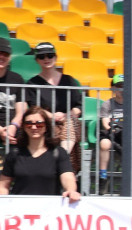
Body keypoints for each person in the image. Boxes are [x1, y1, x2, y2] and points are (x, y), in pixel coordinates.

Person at [0, 105, 79, 201]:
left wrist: (71, 190)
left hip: (49, 207)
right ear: (24, 127)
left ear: (46, 127)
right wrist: (3, 202)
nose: (34, 127)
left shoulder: (59, 153)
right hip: (19, 208)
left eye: (39, 124)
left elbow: (68, 177)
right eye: (29, 124)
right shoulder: (14, 154)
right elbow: (3, 186)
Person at [25, 42, 83, 173]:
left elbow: (79, 105)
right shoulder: (32, 83)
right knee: (69, 131)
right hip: (45, 123)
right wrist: (52, 116)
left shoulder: (69, 80)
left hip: (68, 121)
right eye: (42, 57)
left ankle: (59, 160)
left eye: (50, 55)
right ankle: (64, 165)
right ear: (37, 60)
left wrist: (66, 115)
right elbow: (34, 107)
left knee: (71, 122)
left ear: (55, 58)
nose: (46, 59)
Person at [98, 74, 132, 186]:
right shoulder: (107, 104)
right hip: (113, 134)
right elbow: (105, 123)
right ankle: (103, 176)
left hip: (129, 134)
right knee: (104, 143)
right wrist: (112, 129)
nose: (122, 89)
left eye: (125, 86)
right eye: (119, 86)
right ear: (113, 88)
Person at [0, 37, 28, 162]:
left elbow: (21, 108)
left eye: (5, 54)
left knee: (31, 134)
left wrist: (13, 126)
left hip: (11, 126)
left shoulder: (17, 79)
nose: (1, 57)